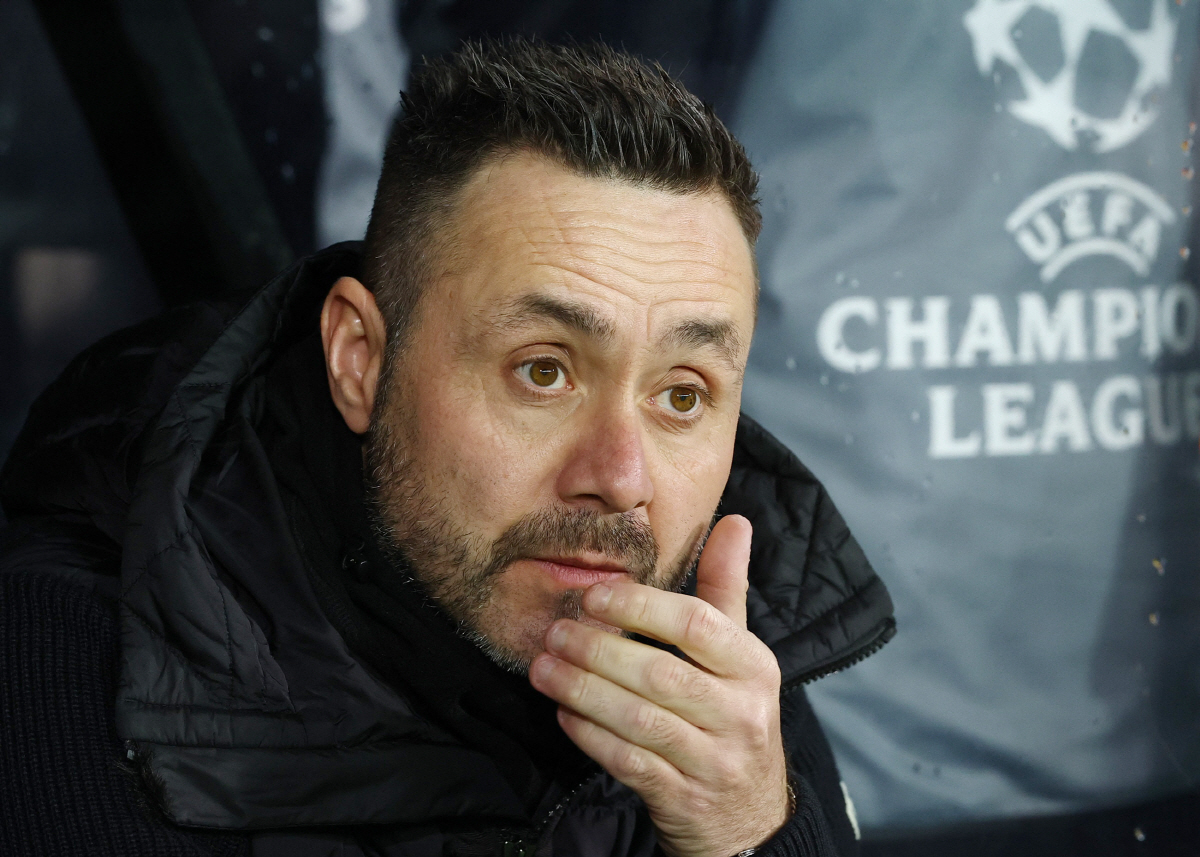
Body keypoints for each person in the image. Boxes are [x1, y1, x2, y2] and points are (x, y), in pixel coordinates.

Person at [0, 37, 893, 857]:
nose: (622, 478)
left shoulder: (715, 638)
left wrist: (752, 830)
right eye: (543, 372)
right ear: (360, 361)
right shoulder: (72, 660)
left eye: (682, 394)